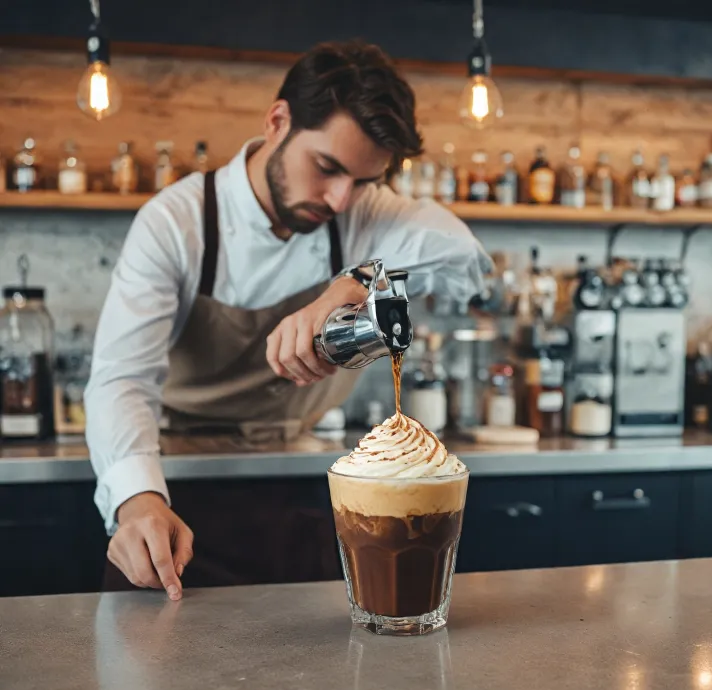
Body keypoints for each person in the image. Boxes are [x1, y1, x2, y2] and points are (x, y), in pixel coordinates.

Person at [85, 40, 490, 600]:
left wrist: (356, 280)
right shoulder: (176, 224)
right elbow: (121, 378)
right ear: (278, 121)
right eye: (326, 167)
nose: (341, 199)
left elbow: (468, 264)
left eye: (363, 181)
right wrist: (137, 502)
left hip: (307, 494)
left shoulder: (363, 213)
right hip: (181, 494)